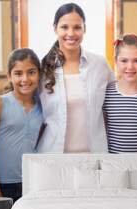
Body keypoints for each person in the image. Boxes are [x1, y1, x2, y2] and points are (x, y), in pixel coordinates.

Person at [37, 2, 115, 153]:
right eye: (64, 27)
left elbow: (117, 100)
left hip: (94, 157)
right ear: (55, 28)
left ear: (84, 29)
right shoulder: (43, 69)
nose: (71, 33)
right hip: (52, 156)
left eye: (77, 27)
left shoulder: (100, 65)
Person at [0, 48, 43, 202]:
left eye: (31, 72)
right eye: (18, 73)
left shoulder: (44, 106)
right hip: (3, 186)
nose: (25, 79)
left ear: (39, 74)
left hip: (35, 184)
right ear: (9, 76)